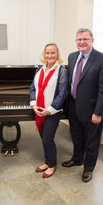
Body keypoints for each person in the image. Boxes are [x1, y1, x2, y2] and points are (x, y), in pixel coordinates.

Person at [62, 28, 103, 182]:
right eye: (79, 39)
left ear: (92, 40)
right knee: (76, 136)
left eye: (85, 39)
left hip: (92, 109)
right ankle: (77, 159)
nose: (82, 42)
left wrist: (98, 112)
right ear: (76, 41)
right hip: (73, 106)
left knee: (91, 141)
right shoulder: (72, 57)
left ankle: (88, 168)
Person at [30, 43, 68, 178]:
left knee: (47, 139)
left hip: (52, 112)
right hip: (38, 110)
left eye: (53, 53)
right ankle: (47, 162)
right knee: (43, 139)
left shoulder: (61, 71)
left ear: (57, 54)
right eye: (47, 53)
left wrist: (49, 110)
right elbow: (33, 89)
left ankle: (52, 165)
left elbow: (62, 94)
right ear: (44, 54)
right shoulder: (39, 69)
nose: (50, 55)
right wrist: (34, 105)